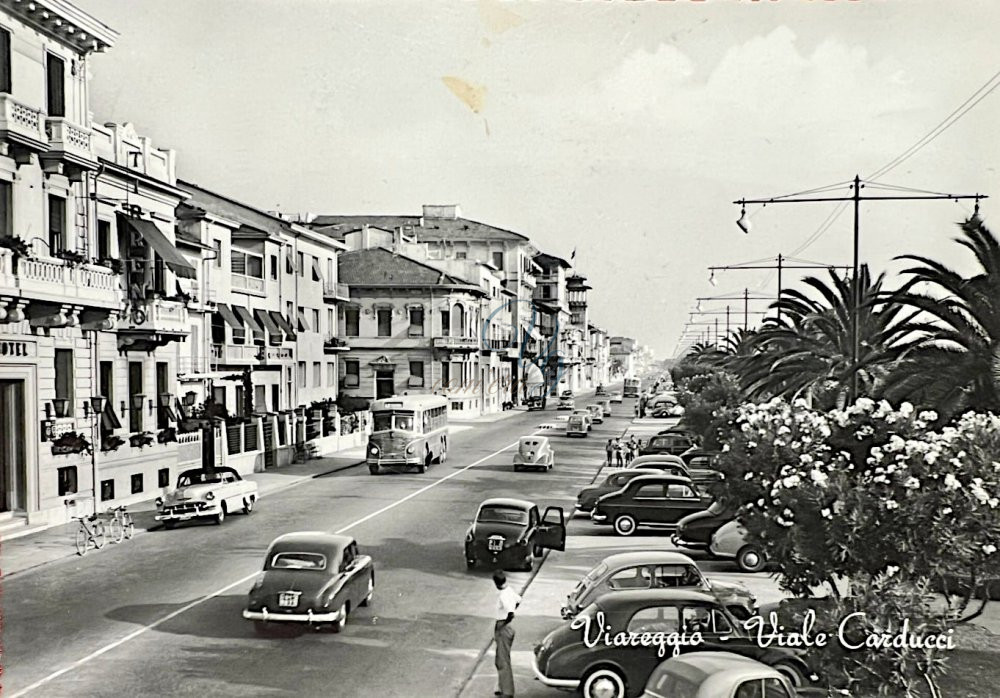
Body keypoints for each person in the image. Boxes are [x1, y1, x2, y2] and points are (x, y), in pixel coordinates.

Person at [493, 570, 520, 698]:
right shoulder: (509, 590)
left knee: (503, 660)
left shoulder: (503, 595)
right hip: (507, 626)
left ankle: (507, 691)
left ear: (496, 583)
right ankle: (501, 686)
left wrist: (504, 623)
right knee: (500, 658)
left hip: (503, 625)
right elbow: (518, 600)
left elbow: (511, 613)